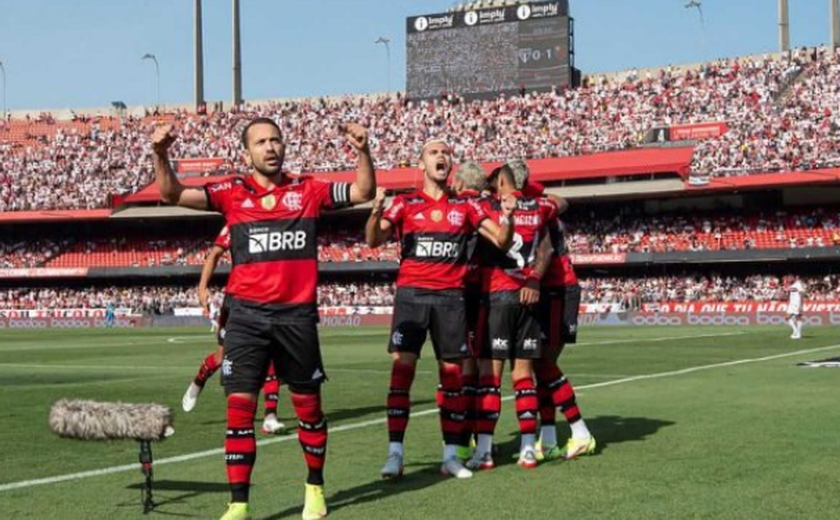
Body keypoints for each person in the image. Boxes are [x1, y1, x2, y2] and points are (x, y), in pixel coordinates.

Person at [151, 117, 375, 520]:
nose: (270, 147)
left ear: (284, 146)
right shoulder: (230, 193)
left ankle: (314, 489)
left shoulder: (308, 190)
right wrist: (161, 153)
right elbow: (171, 193)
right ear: (247, 152)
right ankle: (238, 504)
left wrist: (362, 150)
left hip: (296, 318)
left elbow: (363, 190)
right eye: (260, 142)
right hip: (246, 318)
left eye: (275, 140)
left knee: (308, 408)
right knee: (239, 409)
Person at [366, 139, 515, 480]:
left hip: (450, 299)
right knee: (402, 373)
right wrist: (375, 211)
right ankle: (395, 454)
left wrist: (506, 217)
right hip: (412, 296)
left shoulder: (467, 207)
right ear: (422, 164)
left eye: (446, 153)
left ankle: (450, 456)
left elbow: (502, 241)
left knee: (453, 378)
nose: (441, 157)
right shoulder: (405, 203)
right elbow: (373, 240)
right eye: (433, 152)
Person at [466, 162, 556, 471]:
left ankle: (486, 451)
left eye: (494, 181)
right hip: (527, 299)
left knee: (489, 379)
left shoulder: (485, 206)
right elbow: (548, 245)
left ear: (502, 182)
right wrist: (533, 279)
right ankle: (528, 449)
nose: (490, 186)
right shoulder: (540, 208)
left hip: (498, 298)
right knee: (523, 377)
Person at [181, 227, 285, 436]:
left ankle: (270, 417)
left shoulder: (280, 220)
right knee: (222, 356)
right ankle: (197, 382)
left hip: (269, 299)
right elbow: (215, 254)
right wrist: (202, 287)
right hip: (236, 302)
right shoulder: (238, 219)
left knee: (272, 357)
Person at [524, 173, 596, 461]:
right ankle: (550, 437)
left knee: (544, 364)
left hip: (557, 289)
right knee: (541, 366)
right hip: (552, 289)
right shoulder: (541, 213)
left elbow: (558, 203)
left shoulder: (539, 215)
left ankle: (580, 433)